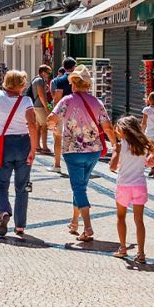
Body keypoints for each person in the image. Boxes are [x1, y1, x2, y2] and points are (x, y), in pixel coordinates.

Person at [49, 67, 114, 244]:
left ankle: (87, 227)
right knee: (81, 186)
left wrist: (52, 128)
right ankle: (74, 222)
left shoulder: (66, 100)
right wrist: (116, 145)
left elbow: (51, 119)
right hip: (94, 151)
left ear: (73, 83)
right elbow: (107, 127)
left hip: (72, 150)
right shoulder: (97, 102)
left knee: (78, 187)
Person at [0, 70, 38, 238]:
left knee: (1, 183)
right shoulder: (27, 101)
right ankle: (20, 226)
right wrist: (33, 149)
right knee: (22, 186)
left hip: (3, 145)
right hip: (23, 143)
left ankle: (3, 212)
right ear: (21, 85)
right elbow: (32, 125)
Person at [109, 115, 154, 263]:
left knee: (121, 217)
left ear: (123, 130)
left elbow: (112, 167)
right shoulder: (144, 144)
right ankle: (141, 253)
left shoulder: (121, 145)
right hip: (140, 185)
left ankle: (122, 248)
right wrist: (149, 163)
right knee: (139, 220)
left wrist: (115, 153)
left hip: (124, 185)